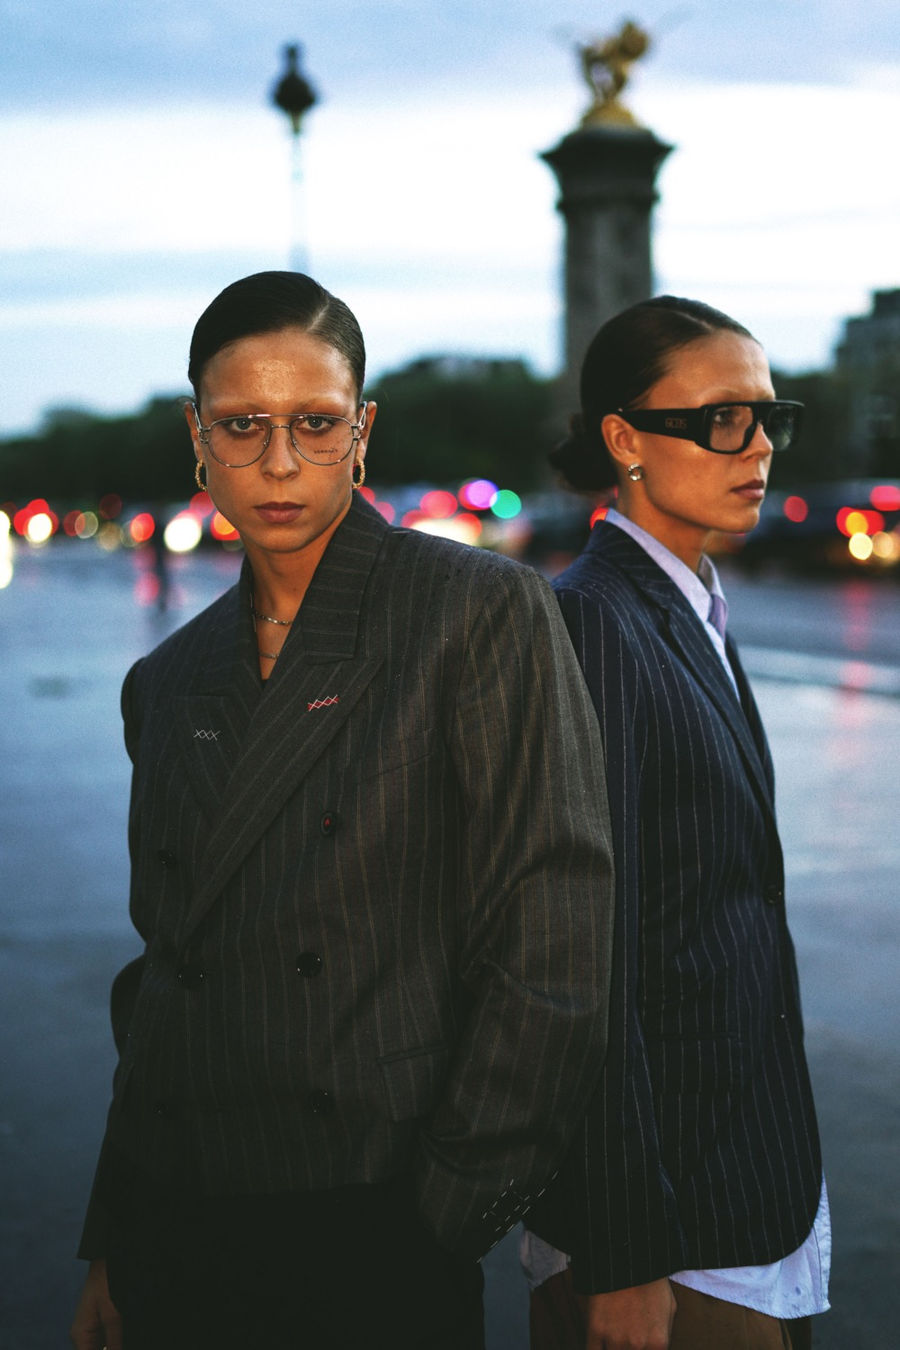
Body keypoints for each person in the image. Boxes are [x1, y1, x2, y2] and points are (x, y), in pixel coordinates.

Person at [69, 270, 616, 1350]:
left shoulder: (475, 612)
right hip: (177, 1220)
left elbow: (555, 939)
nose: (280, 462)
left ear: (362, 432)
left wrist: (444, 1218)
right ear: (197, 437)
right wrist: (113, 1238)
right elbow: (164, 976)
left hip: (371, 1229)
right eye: (243, 425)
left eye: (315, 424)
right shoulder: (168, 681)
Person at [523, 296, 831, 1350]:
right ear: (625, 440)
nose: (758, 448)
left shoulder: (686, 603)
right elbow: (580, 963)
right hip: (669, 1228)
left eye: (767, 417)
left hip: (739, 1181)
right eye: (720, 420)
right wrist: (621, 1251)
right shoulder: (595, 622)